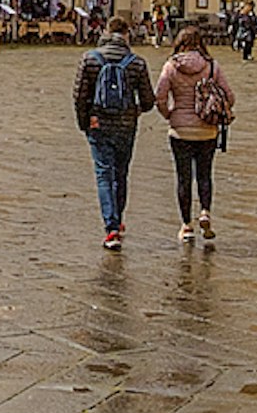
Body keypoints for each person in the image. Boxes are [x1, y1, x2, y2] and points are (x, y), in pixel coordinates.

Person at [151, 23, 233, 244]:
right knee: (205, 175)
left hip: (180, 131)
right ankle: (205, 212)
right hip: (207, 129)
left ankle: (186, 226)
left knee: (183, 178)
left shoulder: (171, 66)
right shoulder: (212, 67)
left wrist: (169, 114)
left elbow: (159, 96)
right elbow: (230, 96)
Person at [73, 25, 152, 249]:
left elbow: (79, 96)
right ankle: (118, 218)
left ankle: (111, 227)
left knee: (103, 175)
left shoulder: (89, 60)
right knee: (121, 173)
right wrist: (134, 111)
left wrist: (85, 123)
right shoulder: (137, 63)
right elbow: (148, 101)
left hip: (98, 125)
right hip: (126, 126)